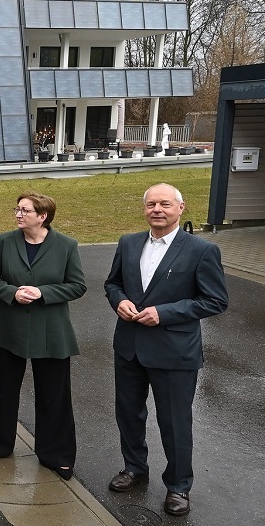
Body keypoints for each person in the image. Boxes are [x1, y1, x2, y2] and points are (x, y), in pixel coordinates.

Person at [105, 183, 229, 517]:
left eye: (165, 204)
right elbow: (112, 283)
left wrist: (165, 313)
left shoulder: (201, 250)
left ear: (180, 208)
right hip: (129, 347)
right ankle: (134, 467)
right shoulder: (129, 243)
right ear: (144, 209)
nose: (157, 210)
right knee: (129, 413)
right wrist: (120, 301)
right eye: (151, 204)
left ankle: (178, 486)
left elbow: (215, 300)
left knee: (175, 422)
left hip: (175, 352)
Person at [0, 193, 86, 479]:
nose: (18, 214)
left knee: (54, 395)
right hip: (9, 328)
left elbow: (77, 286)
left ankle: (57, 454)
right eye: (17, 209)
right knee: (2, 391)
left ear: (43, 216)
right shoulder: (5, 241)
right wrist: (12, 292)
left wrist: (43, 293)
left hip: (51, 332)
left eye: (25, 211)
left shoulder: (66, 246)